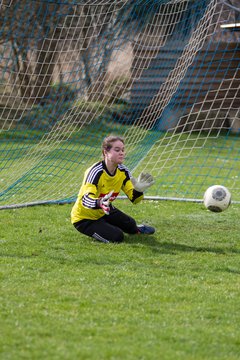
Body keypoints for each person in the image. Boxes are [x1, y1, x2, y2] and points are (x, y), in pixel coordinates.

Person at [71, 135, 155, 243]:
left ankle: (137, 229)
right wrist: (100, 203)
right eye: (117, 150)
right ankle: (102, 227)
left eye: (123, 150)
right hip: (84, 218)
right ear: (105, 152)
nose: (122, 153)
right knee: (117, 236)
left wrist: (138, 191)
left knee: (131, 224)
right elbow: (85, 200)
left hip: (104, 210)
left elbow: (134, 200)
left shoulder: (123, 171)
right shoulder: (95, 172)